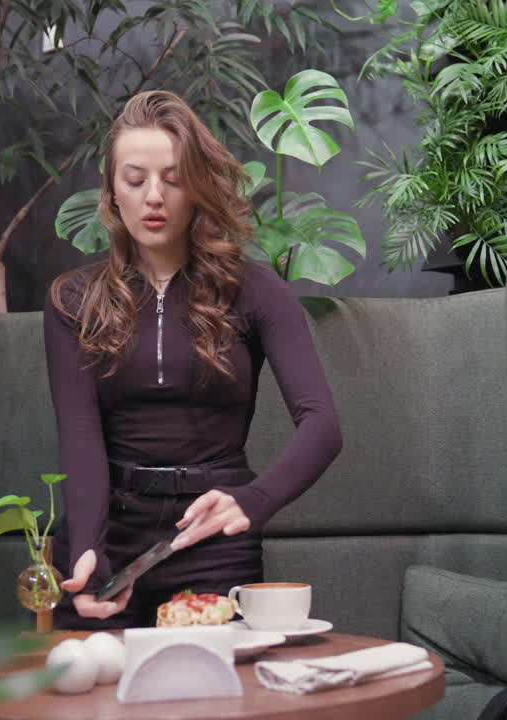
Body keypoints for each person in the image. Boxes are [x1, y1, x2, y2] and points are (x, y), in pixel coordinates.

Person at [44, 90, 342, 629]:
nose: (153, 196)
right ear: (112, 192)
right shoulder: (73, 301)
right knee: (91, 697)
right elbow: (80, 435)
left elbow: (323, 424)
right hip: (108, 535)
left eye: (174, 179)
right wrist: (88, 550)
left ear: (198, 188)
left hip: (212, 539)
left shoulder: (256, 292)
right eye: (135, 180)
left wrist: (252, 500)